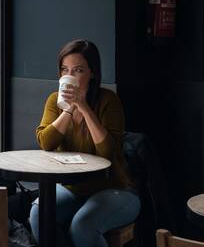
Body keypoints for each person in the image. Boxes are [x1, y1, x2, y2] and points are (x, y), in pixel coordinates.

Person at [29, 40, 139, 247]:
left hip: (116, 188)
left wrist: (84, 107)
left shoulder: (109, 100)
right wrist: (68, 109)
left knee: (83, 226)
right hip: (71, 187)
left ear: (93, 73)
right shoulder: (54, 100)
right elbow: (46, 142)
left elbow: (108, 152)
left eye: (78, 70)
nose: (69, 76)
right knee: (39, 214)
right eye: (65, 70)